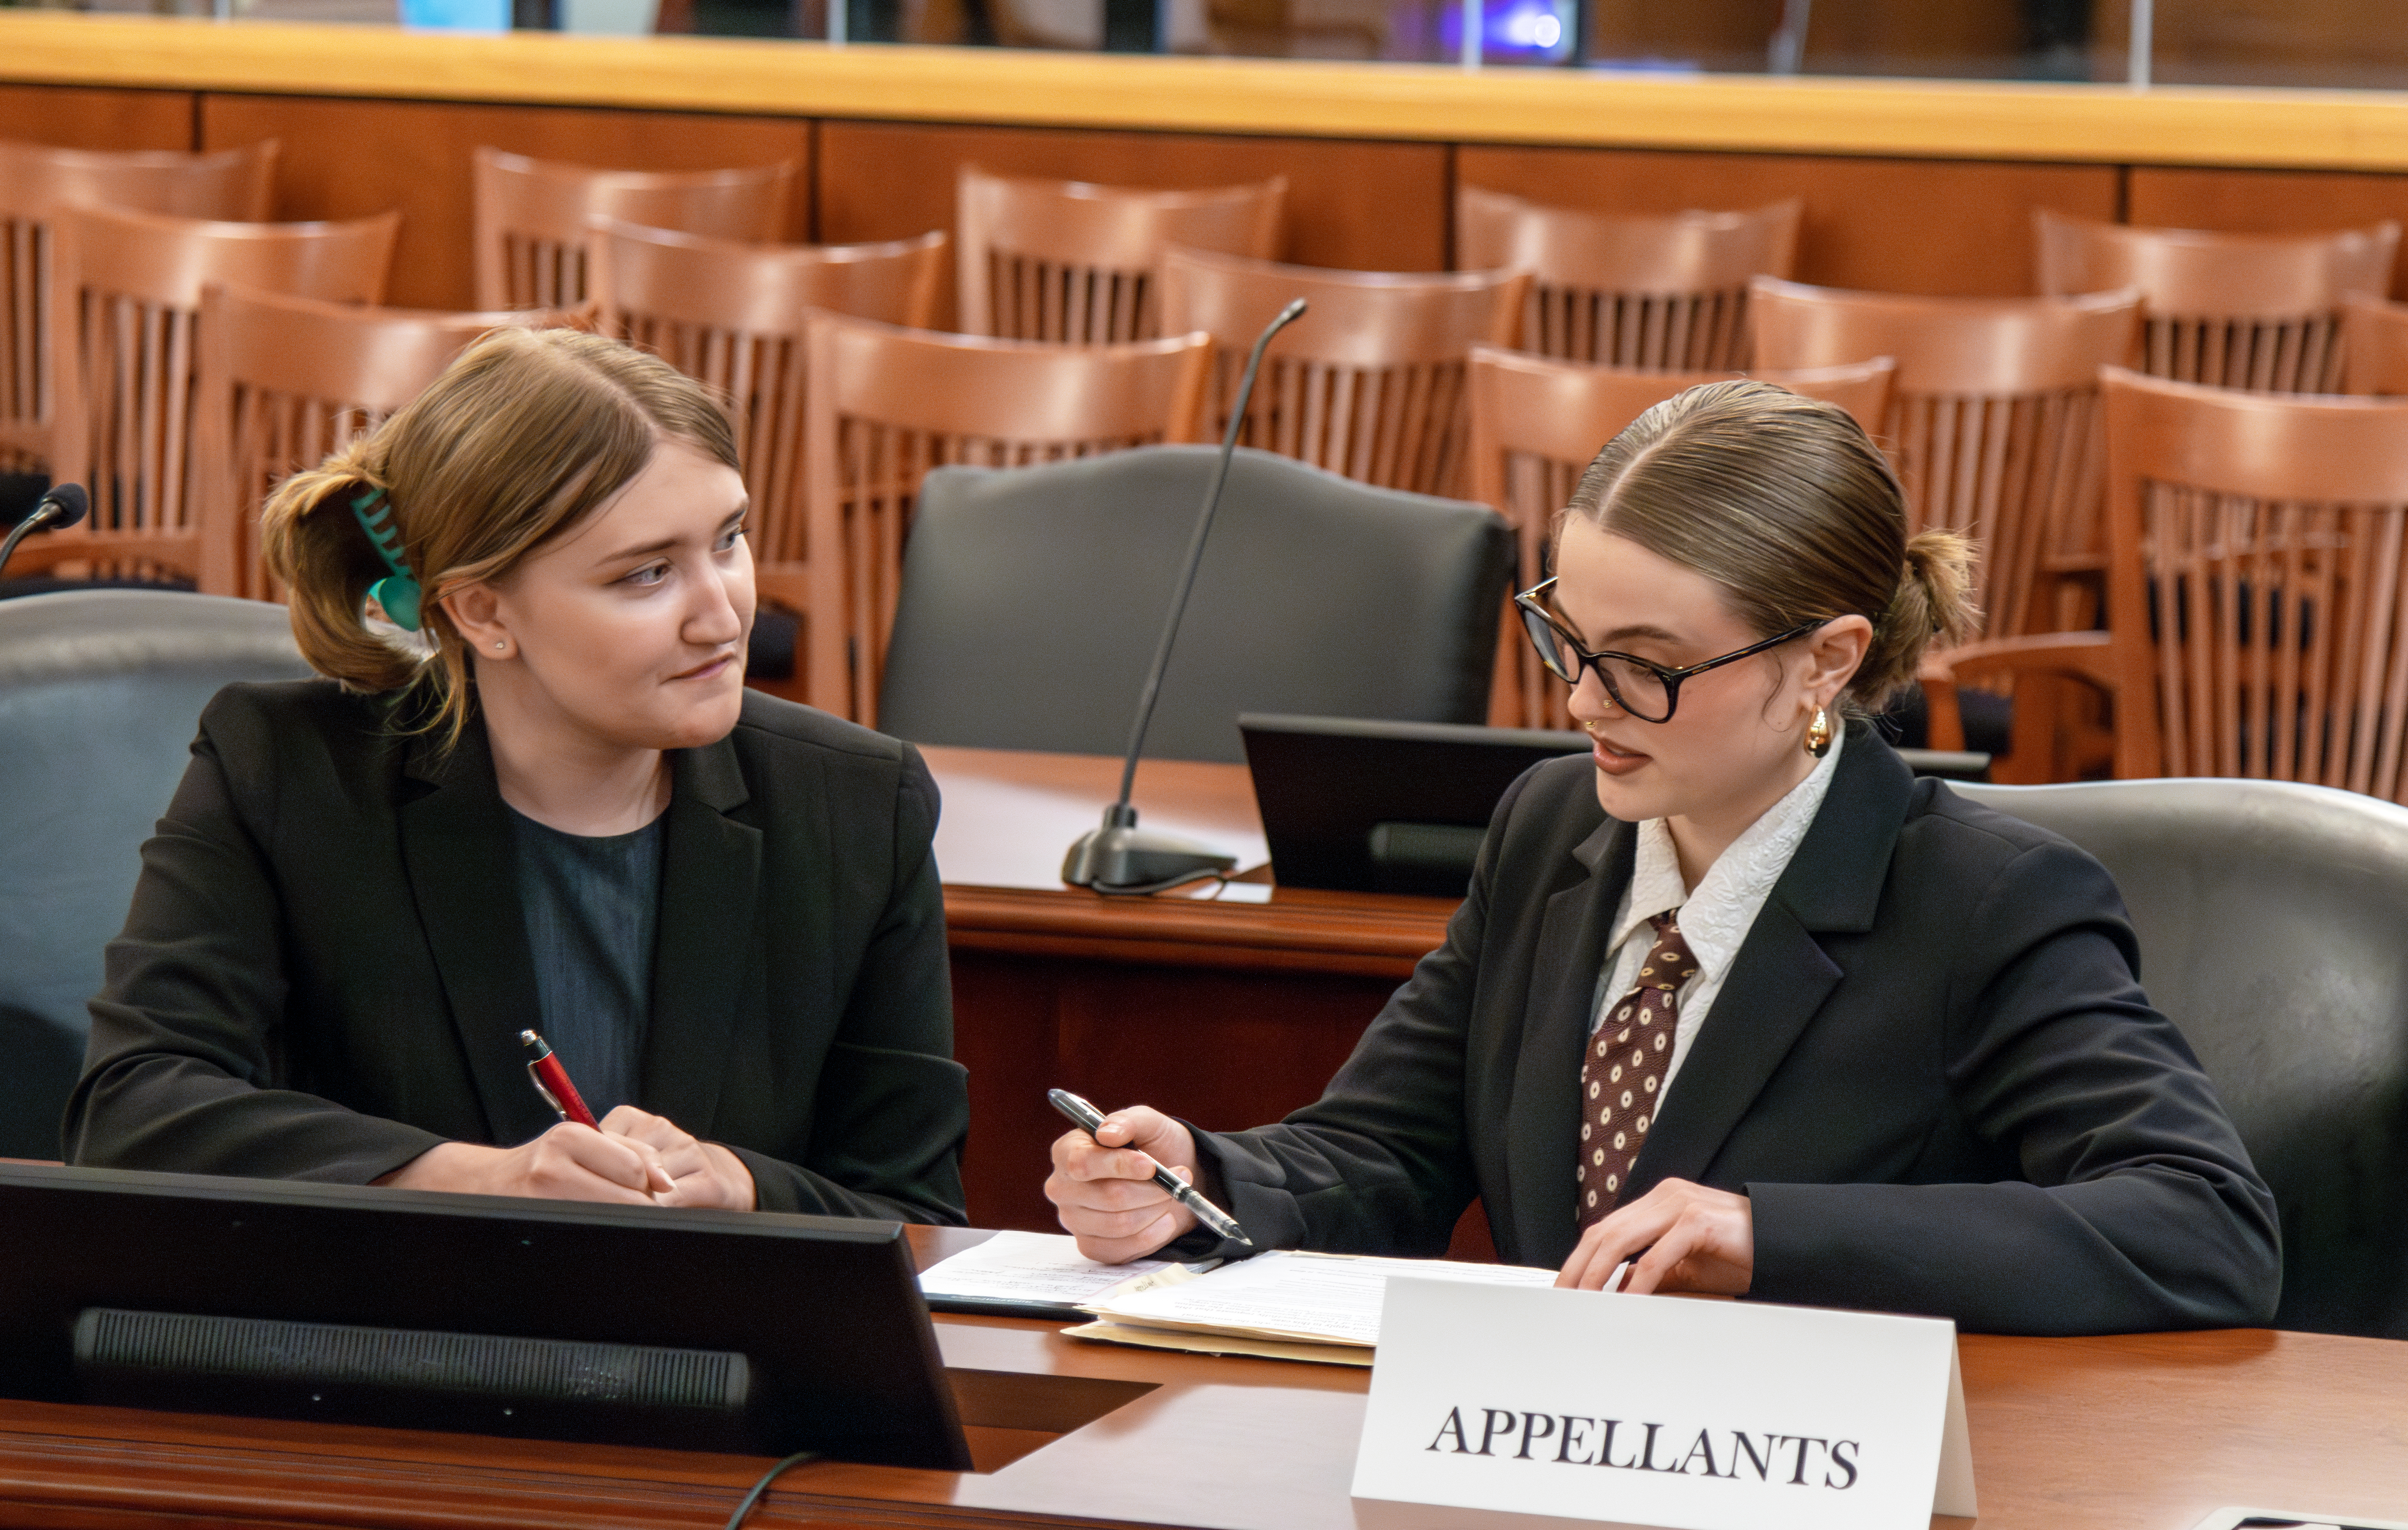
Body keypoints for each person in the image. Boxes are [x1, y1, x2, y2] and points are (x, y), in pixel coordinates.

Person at [1045, 380, 2280, 1334]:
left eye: (1644, 662)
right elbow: (1387, 1151)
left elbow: (2199, 1228)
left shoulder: (1982, 902)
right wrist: (1198, 1178)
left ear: (1826, 659)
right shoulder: (1551, 828)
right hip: (1539, 1460)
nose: (1583, 702)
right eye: (1565, 638)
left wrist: (1763, 1235)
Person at [66, 328, 967, 1224]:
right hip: (394, 1348)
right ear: (483, 611)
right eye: (647, 574)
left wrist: (746, 1188)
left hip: (716, 1357)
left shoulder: (858, 805)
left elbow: (915, 1213)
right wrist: (474, 1178)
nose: (724, 614)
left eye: (728, 539)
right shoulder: (283, 770)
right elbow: (136, 1111)